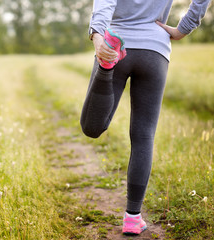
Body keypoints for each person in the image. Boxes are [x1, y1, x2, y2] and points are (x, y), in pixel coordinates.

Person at [80, 0, 211, 235]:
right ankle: (133, 218)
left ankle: (107, 67)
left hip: (114, 43)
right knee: (143, 135)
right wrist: (184, 28)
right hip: (155, 48)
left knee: (92, 127)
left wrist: (98, 35)